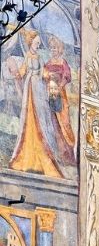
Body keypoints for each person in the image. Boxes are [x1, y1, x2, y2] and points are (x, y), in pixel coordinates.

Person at [9, 29, 65, 177]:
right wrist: (16, 74)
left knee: (41, 116)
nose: (38, 45)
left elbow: (44, 72)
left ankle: (42, 154)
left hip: (39, 87)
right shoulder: (27, 56)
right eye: (37, 42)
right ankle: (27, 156)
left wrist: (50, 76)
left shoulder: (39, 57)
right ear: (31, 42)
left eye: (39, 43)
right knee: (29, 116)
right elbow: (22, 71)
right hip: (30, 86)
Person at [43, 35, 76, 165]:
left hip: (60, 95)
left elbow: (67, 76)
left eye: (55, 47)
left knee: (65, 123)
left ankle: (68, 155)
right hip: (51, 94)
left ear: (59, 49)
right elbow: (44, 75)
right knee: (54, 125)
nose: (53, 50)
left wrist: (59, 86)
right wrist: (49, 80)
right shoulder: (48, 62)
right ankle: (58, 154)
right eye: (51, 48)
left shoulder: (63, 62)